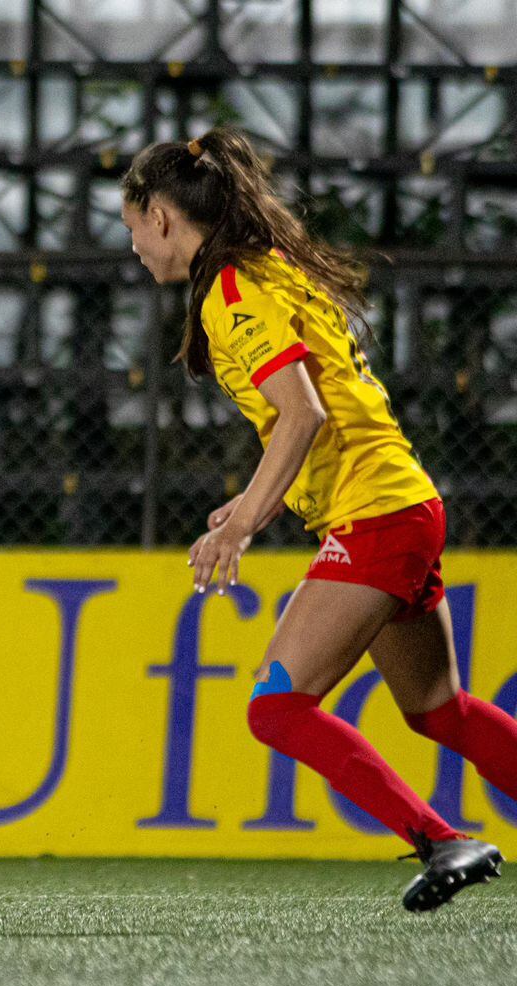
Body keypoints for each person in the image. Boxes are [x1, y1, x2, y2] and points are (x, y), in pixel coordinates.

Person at [120, 126, 513, 910]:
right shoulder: (264, 271)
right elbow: (314, 413)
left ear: (160, 217)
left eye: (131, 228)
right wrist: (261, 496)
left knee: (276, 708)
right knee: (439, 712)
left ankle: (442, 840)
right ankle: (444, 838)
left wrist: (241, 527)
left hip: (375, 514)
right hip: (400, 502)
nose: (134, 248)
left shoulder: (232, 292)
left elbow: (302, 415)